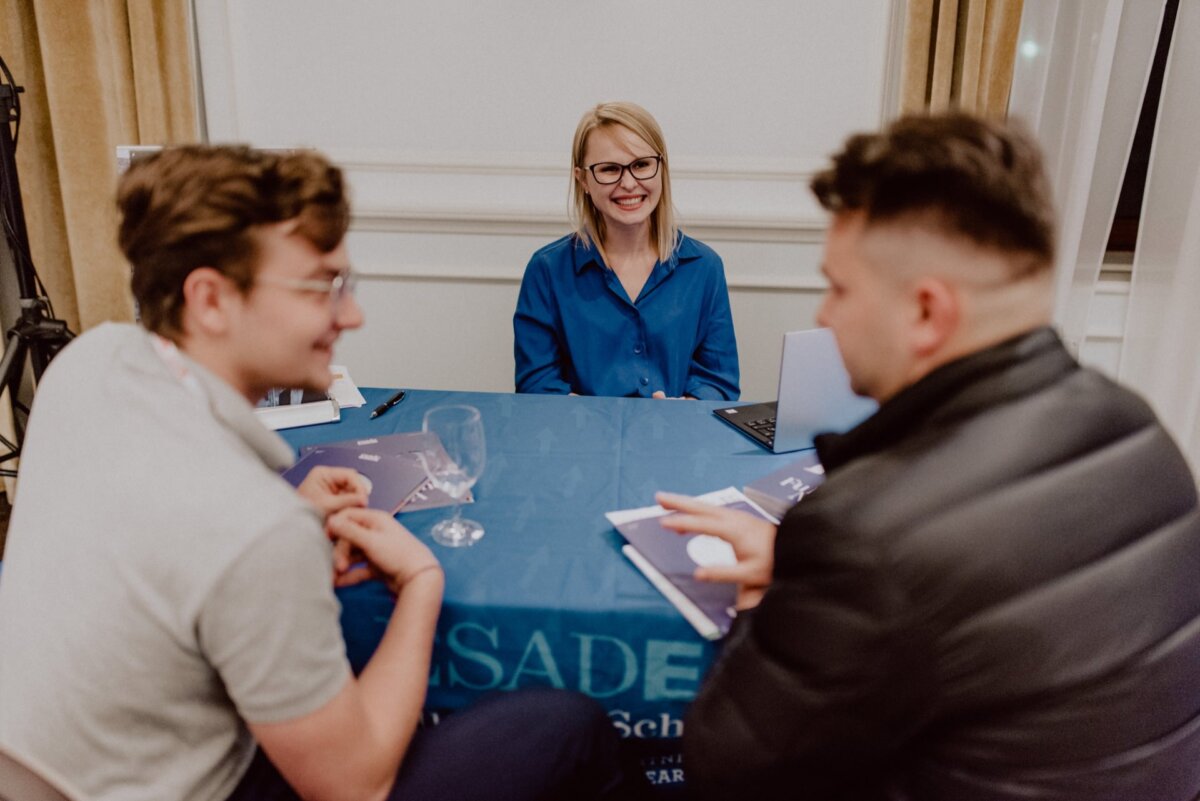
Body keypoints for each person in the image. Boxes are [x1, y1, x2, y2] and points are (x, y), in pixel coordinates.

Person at [0, 146, 640, 801]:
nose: (352, 315)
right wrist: (421, 581)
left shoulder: (86, 362)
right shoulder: (254, 527)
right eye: (321, 286)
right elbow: (354, 785)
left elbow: (151, 523)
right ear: (211, 299)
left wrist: (293, 515)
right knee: (571, 725)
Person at [658, 113, 1200, 800]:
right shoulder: (1143, 432)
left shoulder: (866, 533)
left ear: (926, 313)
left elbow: (723, 764)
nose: (825, 315)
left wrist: (772, 588)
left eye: (840, 287)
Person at [513, 101, 739, 400]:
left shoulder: (704, 267)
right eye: (609, 169)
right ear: (583, 180)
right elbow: (536, 384)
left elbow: (719, 381)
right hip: (580, 441)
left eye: (642, 165)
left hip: (677, 441)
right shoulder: (546, 270)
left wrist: (685, 408)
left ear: (661, 167)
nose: (629, 183)